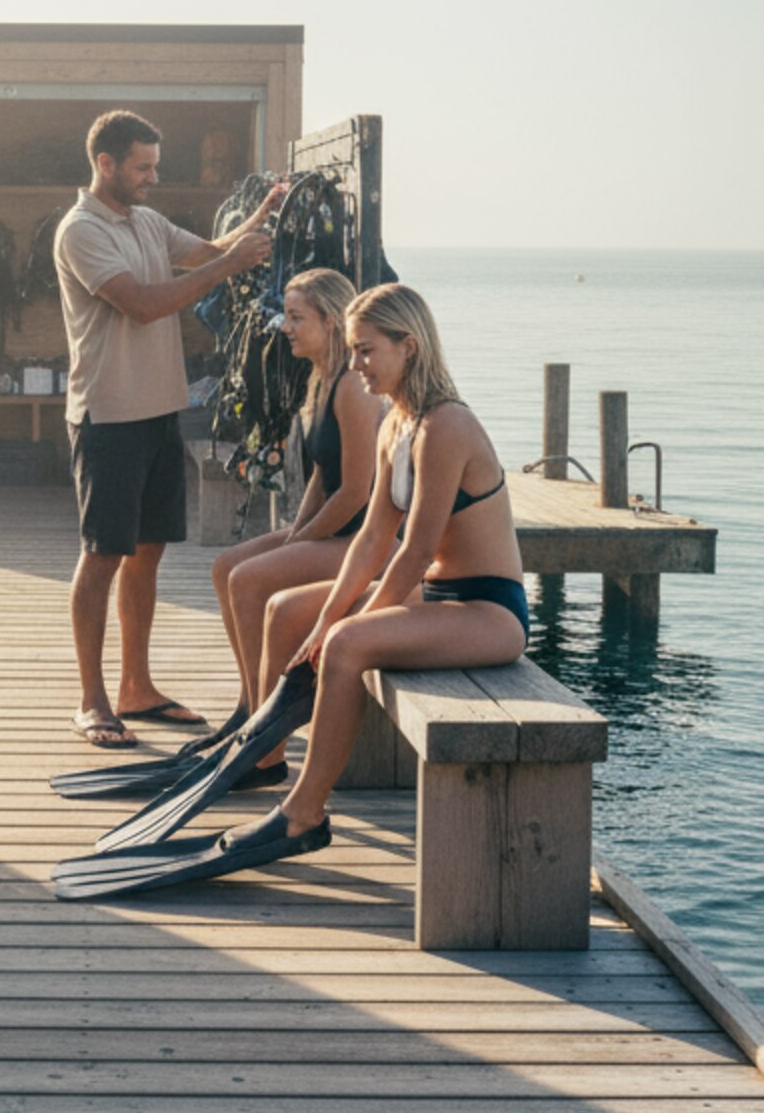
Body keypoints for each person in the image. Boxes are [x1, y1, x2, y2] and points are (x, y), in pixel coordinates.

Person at [229, 281, 530, 851]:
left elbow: (415, 550)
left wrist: (346, 626)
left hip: (488, 609)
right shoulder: (397, 422)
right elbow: (373, 539)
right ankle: (261, 754)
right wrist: (324, 620)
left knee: (345, 647)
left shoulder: (446, 426)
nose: (356, 363)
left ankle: (303, 815)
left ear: (408, 346)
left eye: (366, 350)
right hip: (438, 599)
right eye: (352, 349)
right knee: (287, 610)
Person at [56, 110, 283, 748]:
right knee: (102, 556)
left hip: (160, 410)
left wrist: (262, 215)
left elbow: (209, 252)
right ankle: (92, 698)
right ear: (106, 164)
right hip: (108, 415)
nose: (154, 177)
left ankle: (136, 686)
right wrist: (229, 265)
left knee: (148, 551)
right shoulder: (80, 231)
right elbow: (146, 302)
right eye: (143, 167)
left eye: (154, 165)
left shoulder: (146, 220)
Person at [208, 267, 383, 783]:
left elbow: (357, 491)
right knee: (226, 567)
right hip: (333, 529)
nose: (284, 327)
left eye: (295, 317)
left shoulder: (353, 387)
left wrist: (301, 540)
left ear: (330, 322)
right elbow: (322, 473)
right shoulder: (321, 379)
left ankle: (266, 748)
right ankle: (250, 708)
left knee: (250, 578)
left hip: (364, 540)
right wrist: (294, 531)